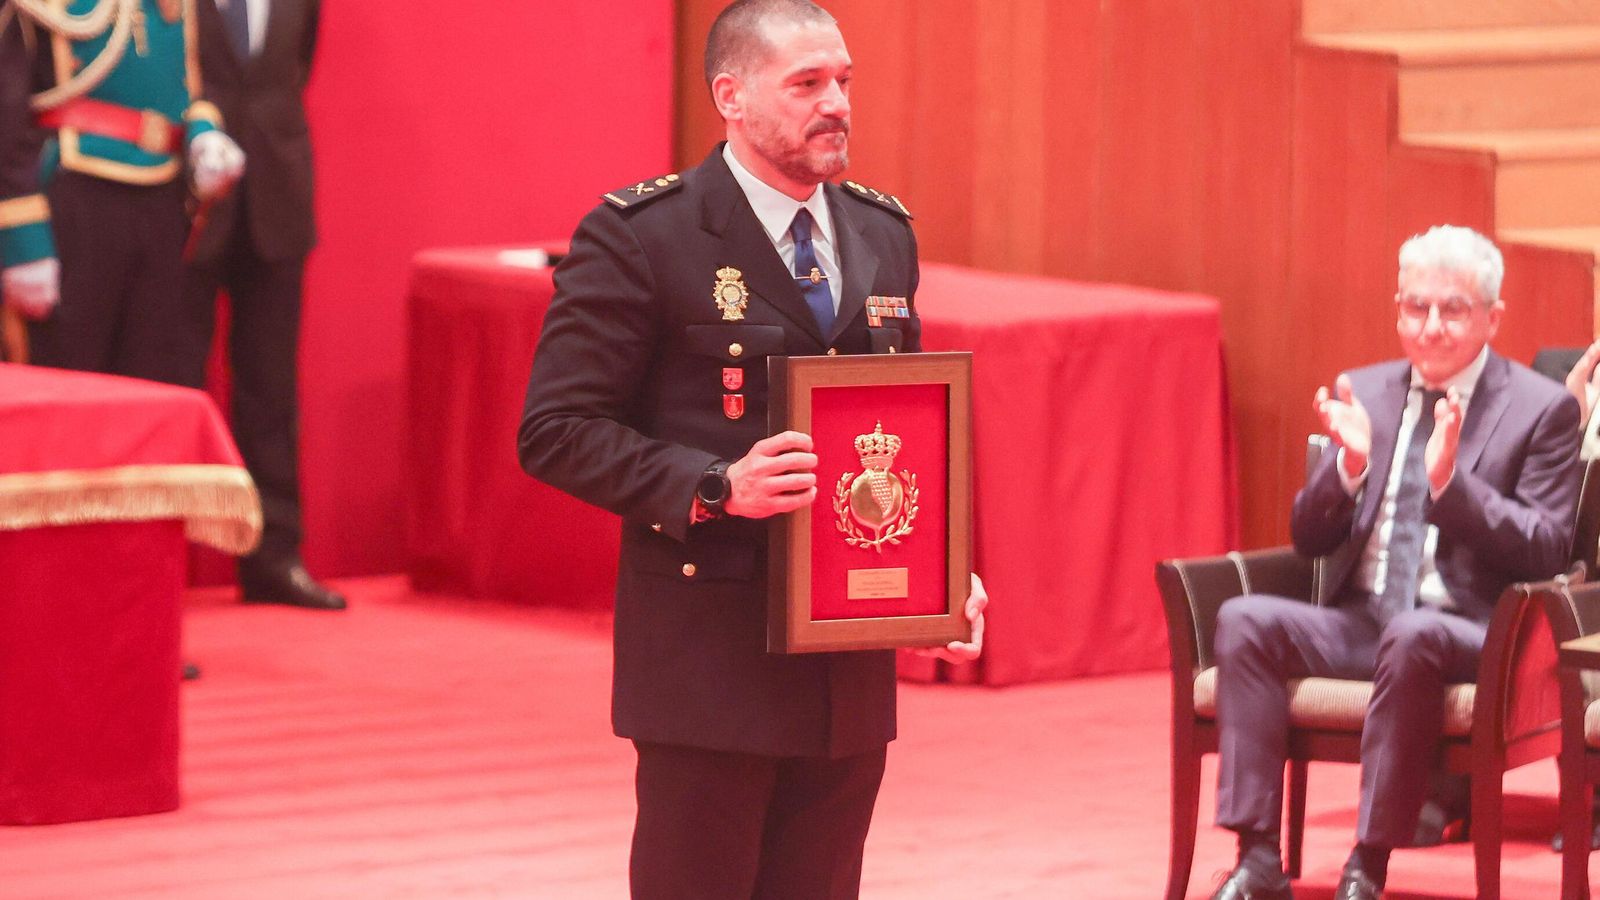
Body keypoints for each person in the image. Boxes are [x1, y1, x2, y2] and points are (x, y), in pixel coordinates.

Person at [517, 2, 986, 896]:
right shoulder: (643, 235)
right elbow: (554, 431)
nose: (836, 103)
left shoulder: (885, 235)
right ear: (731, 97)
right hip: (710, 666)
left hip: (846, 674)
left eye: (843, 81)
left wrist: (940, 575)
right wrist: (712, 484)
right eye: (806, 84)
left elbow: (890, 437)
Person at [1207, 225, 1581, 900]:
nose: (1431, 327)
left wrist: (1450, 490)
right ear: (1397, 309)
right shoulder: (1367, 392)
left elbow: (1549, 545)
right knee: (1244, 620)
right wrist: (1346, 470)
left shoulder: (1540, 409)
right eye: (1415, 308)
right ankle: (1258, 857)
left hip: (1475, 631)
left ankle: (1367, 866)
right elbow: (1309, 539)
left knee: (1413, 635)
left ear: (1491, 318)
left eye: (1453, 309)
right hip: (1364, 621)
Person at [179, 0, 342, 610]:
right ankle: (165, 566)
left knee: (271, 390)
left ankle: (274, 558)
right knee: (175, 383)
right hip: (187, 198)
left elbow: (296, 67)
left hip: (279, 196)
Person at [0, 0, 243, 378]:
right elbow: (7, 115)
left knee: (154, 381)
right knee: (69, 383)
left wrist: (203, 136)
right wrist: (24, 243)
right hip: (75, 200)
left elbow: (203, 86)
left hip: (163, 204)